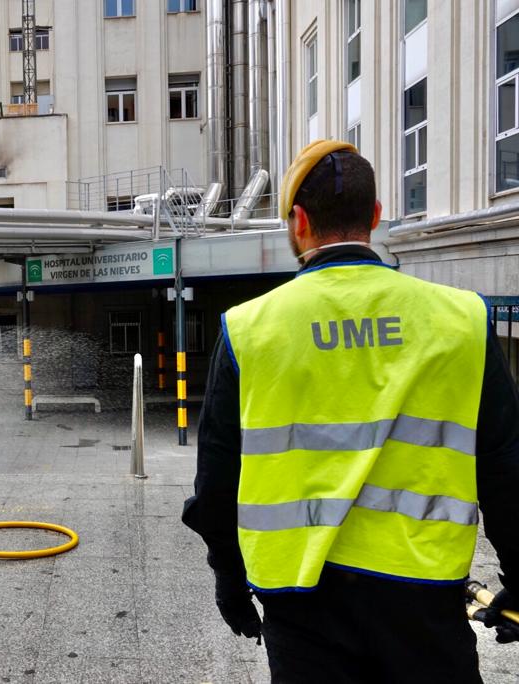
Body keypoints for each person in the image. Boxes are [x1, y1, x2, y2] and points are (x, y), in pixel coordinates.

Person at [182, 140, 519, 683]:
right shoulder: (463, 321)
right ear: (377, 217)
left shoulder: (249, 330)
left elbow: (218, 479)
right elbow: (507, 470)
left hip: (302, 601)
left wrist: (228, 577)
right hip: (425, 598)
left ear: (299, 221)